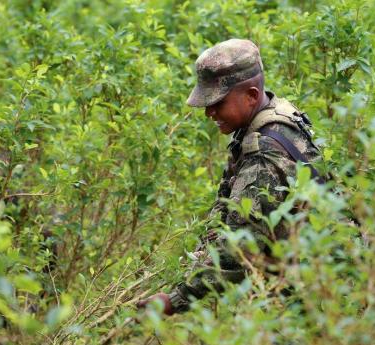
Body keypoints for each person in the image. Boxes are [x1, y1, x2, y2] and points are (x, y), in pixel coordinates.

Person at [138, 39, 322, 315]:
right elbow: (225, 215)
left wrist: (175, 298)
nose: (209, 112)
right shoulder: (267, 117)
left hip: (316, 295)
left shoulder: (265, 153)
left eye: (217, 103)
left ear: (250, 95)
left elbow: (238, 250)